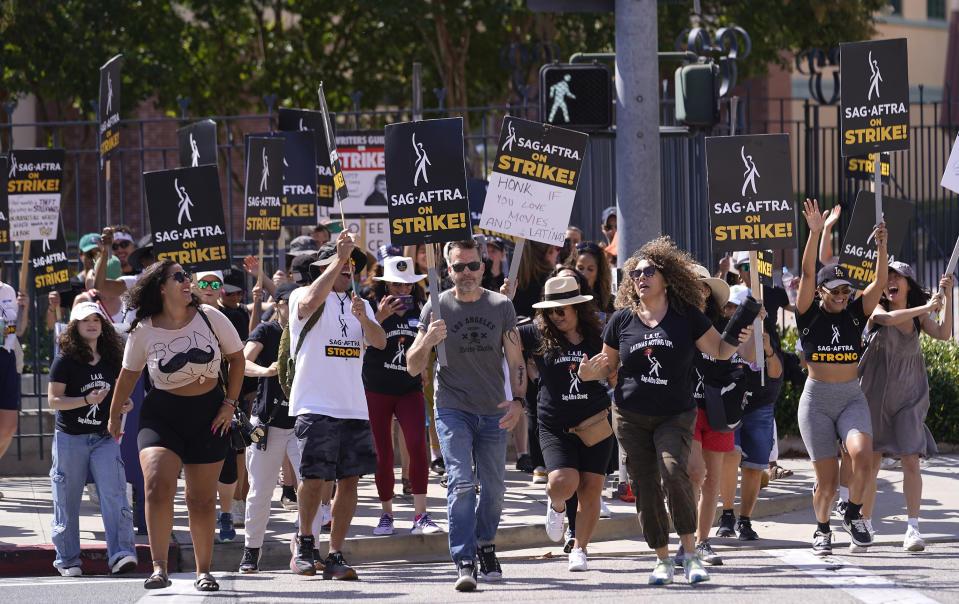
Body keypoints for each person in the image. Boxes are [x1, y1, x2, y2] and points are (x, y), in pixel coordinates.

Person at [577, 236, 753, 586]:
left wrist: (738, 334)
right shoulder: (621, 320)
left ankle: (688, 554)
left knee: (676, 473)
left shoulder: (686, 316)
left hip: (675, 413)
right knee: (644, 486)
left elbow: (718, 350)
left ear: (667, 277)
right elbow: (607, 365)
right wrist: (588, 373)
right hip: (629, 415)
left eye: (649, 271)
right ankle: (661, 558)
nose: (641, 277)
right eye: (635, 273)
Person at [107, 260, 245, 592]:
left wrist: (229, 404)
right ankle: (158, 567)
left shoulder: (210, 317)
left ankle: (203, 570)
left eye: (188, 276)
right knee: (156, 483)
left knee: (200, 499)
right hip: (163, 414)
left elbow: (237, 358)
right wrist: (113, 416)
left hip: (210, 414)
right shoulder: (144, 329)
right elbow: (128, 374)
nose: (188, 281)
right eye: (179, 277)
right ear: (161, 287)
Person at [406, 238, 525, 592]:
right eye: (459, 267)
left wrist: (518, 401)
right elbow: (413, 367)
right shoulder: (435, 308)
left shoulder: (501, 305)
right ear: (448, 269)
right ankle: (464, 558)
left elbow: (516, 361)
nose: (467, 273)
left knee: (495, 489)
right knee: (460, 483)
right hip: (452, 408)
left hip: (493, 410)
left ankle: (486, 545)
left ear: (484, 266)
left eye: (473, 265)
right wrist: (427, 341)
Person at [288, 232, 386, 579]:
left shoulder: (361, 302)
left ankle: (335, 554)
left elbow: (379, 341)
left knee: (349, 482)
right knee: (314, 479)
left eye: (351, 266)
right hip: (315, 403)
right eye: (341, 264)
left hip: (353, 407)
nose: (348, 270)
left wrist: (364, 319)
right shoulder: (305, 293)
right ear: (324, 267)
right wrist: (336, 260)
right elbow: (307, 306)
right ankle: (304, 543)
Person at [795, 198, 887, 556]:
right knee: (827, 482)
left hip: (851, 396)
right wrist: (815, 234)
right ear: (821, 292)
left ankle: (852, 513)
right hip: (816, 400)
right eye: (836, 290)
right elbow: (805, 274)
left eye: (847, 290)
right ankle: (821, 530)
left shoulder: (854, 312)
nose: (843, 295)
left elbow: (879, 282)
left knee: (863, 457)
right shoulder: (807, 314)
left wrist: (881, 246)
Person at [859, 261, 953, 552]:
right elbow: (886, 321)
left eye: (896, 276)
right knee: (871, 464)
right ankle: (864, 525)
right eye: (886, 276)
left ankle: (912, 527)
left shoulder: (917, 319)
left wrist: (945, 300)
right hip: (875, 398)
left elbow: (944, 333)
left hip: (909, 399)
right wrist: (926, 307)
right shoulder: (876, 309)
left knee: (910, 460)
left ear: (908, 284)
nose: (890, 281)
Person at [527, 276, 614, 572]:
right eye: (550, 311)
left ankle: (579, 548)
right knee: (563, 483)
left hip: (594, 424)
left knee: (591, 491)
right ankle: (557, 507)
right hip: (555, 426)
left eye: (560, 310)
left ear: (577, 308)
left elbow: (616, 373)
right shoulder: (537, 334)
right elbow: (501, 332)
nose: (555, 316)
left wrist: (598, 375)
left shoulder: (598, 336)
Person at [47, 302, 137, 577]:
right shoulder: (65, 360)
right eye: (85, 320)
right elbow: (54, 401)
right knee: (67, 499)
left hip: (103, 437)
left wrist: (124, 404)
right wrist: (86, 400)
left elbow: (119, 395)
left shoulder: (112, 359)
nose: (92, 324)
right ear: (75, 326)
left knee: (114, 494)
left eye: (96, 319)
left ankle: (121, 554)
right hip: (70, 438)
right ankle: (68, 560)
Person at [238, 282, 322, 573]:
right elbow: (241, 362)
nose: (299, 307)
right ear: (278, 305)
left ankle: (307, 547)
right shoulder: (267, 331)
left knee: (313, 489)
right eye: (290, 302)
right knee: (260, 491)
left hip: (304, 424)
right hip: (269, 423)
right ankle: (251, 551)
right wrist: (267, 371)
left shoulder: (313, 331)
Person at [364, 256, 442, 536]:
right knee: (383, 453)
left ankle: (420, 515)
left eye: (406, 285)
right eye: (395, 285)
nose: (400, 291)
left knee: (416, 445)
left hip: (409, 389)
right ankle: (386, 514)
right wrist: (377, 318)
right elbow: (358, 344)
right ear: (385, 284)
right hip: (376, 389)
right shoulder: (369, 307)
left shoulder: (423, 308)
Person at [684, 266, 737, 566]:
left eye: (703, 287)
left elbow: (751, 357)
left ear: (710, 292)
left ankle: (703, 542)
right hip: (687, 410)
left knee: (711, 479)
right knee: (694, 473)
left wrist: (754, 325)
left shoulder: (725, 324)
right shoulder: (675, 323)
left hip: (718, 409)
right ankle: (687, 540)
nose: (698, 292)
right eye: (692, 286)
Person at [0, 278, 29, 478]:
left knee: (9, 425)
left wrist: (24, 308)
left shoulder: (8, 290)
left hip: (7, 357)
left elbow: (18, 330)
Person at [574, 242, 614, 315]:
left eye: (590, 269)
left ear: (598, 272)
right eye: (580, 268)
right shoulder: (567, 299)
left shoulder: (610, 302)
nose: (584, 274)